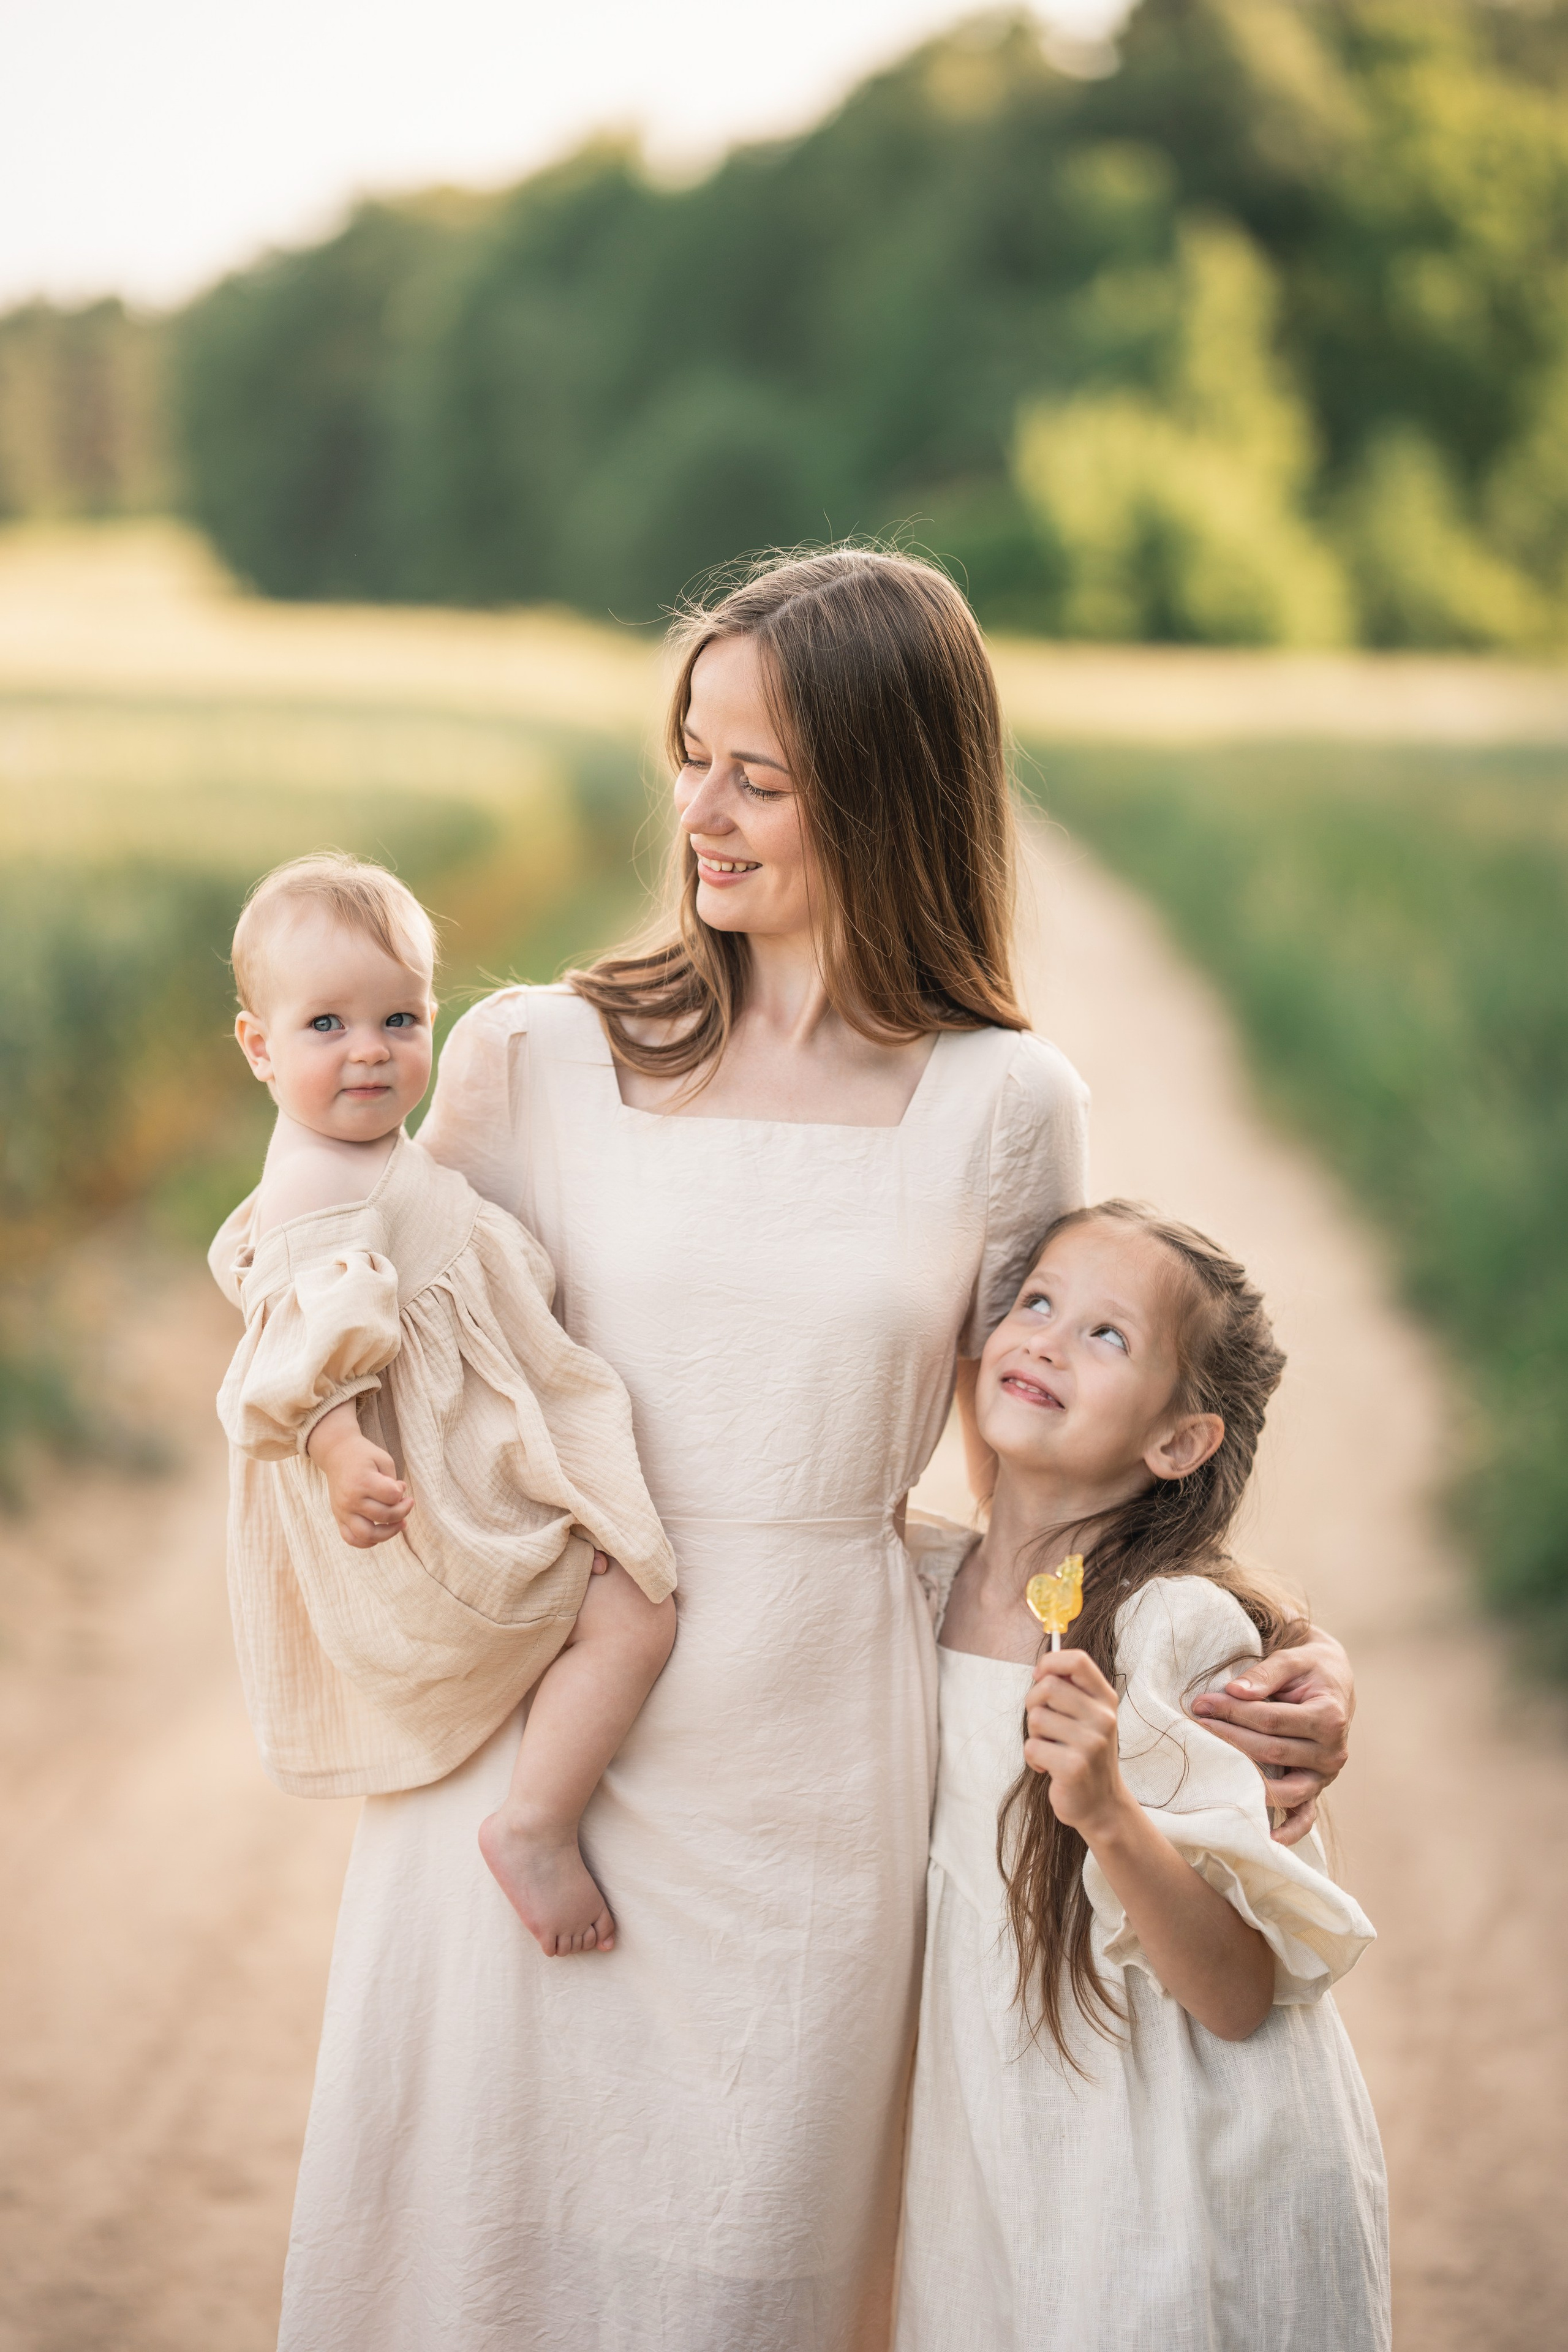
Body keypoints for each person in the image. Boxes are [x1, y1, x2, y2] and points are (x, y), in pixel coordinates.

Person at [276, 549, 1357, 2352]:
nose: (698, 808)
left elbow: (1060, 1476)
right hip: (527, 1755)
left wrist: (1255, 1640)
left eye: (757, 775)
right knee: (470, 2262)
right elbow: (348, 1312)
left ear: (885, 787)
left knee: (745, 2273)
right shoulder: (534, 1055)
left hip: (804, 1793)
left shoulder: (1007, 1102)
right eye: (691, 754)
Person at [897, 1201, 1389, 2352]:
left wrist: (1110, 1814)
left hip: (1170, 2158)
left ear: (1178, 1443)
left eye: (1109, 1337)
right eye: (1037, 1303)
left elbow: (1234, 1993)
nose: (1049, 1341)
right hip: (1002, 2148)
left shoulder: (1176, 1632)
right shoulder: (911, 1586)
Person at [211, 853, 677, 1954]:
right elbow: (289, 1345)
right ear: (258, 1046)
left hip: (440, 1460)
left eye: (400, 1018)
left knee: (621, 1598)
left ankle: (538, 1804)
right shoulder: (314, 1185)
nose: (370, 1051)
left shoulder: (356, 1147)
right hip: (422, 1506)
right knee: (636, 1614)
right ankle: (535, 1825)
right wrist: (332, 1447)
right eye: (326, 1024)